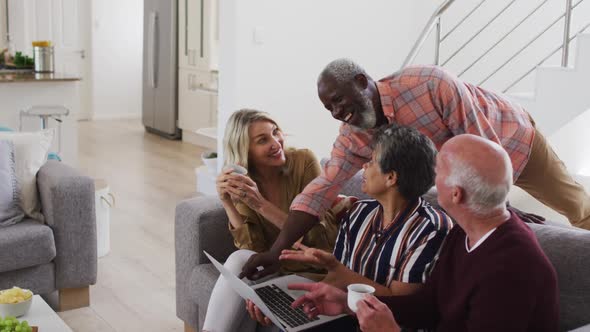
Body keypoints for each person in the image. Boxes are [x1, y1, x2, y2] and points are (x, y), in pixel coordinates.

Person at [241, 58, 590, 280]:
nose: (335, 112)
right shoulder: (353, 136)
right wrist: (276, 251)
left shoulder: (429, 84)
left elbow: (480, 144)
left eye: (338, 100)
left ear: (363, 82)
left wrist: (500, 209)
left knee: (576, 206)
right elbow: (321, 190)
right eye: (328, 107)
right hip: (459, 167)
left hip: (510, 138)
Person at [288, 134, 559, 332]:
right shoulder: (466, 233)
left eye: (439, 171)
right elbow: (429, 305)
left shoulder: (512, 269)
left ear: (456, 194)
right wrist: (350, 303)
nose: (431, 178)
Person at [245, 124, 452, 330]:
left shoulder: (431, 228)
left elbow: (400, 307)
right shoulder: (358, 212)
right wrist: (284, 307)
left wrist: (342, 274)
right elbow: (334, 281)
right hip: (345, 313)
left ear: (391, 177)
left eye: (371, 161)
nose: (364, 166)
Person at [202, 109, 352, 332]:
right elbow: (253, 252)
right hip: (275, 270)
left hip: (315, 270)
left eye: (275, 132)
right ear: (246, 150)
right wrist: (227, 203)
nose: (276, 142)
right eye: (263, 140)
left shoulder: (304, 162)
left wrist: (261, 204)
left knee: (241, 291)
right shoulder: (244, 181)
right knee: (239, 260)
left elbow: (319, 239)